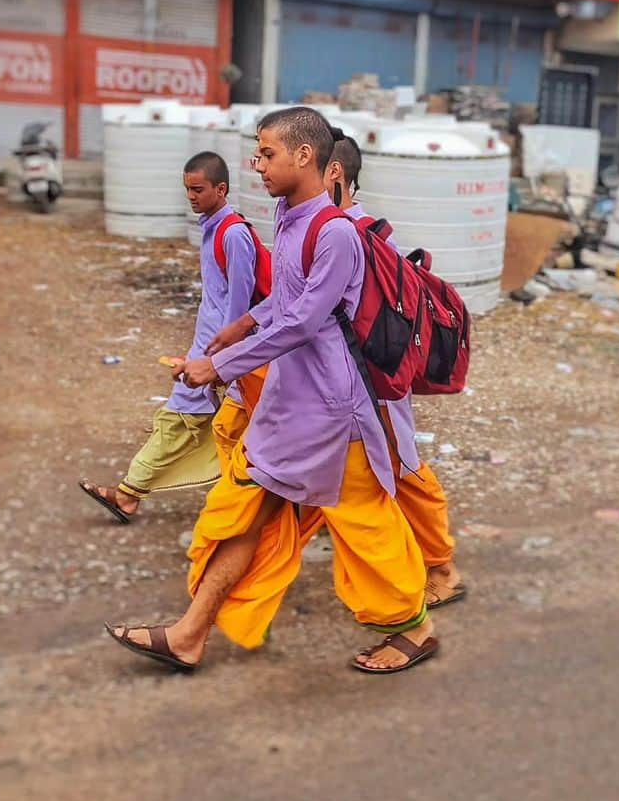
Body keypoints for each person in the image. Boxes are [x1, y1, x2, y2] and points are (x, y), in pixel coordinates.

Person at [105, 107, 438, 675]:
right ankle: (189, 634)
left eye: (267, 154)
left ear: (305, 156)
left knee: (365, 522)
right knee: (243, 515)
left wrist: (222, 365)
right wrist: (233, 333)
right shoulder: (288, 218)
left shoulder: (335, 233)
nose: (256, 165)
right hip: (289, 409)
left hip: (335, 414)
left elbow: (303, 321)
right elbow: (282, 304)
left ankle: (414, 628)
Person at [321, 133, 466, 611]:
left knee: (402, 470)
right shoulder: (333, 228)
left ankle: (439, 568)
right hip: (337, 390)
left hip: (373, 385)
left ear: (335, 174)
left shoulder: (360, 236)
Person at [79, 151, 258, 522]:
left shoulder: (234, 235)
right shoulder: (214, 229)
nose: (191, 197)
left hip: (220, 355)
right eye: (187, 190)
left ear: (221, 189)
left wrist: (221, 361)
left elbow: (239, 310)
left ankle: (129, 494)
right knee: (218, 430)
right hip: (211, 351)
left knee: (180, 421)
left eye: (198, 189)